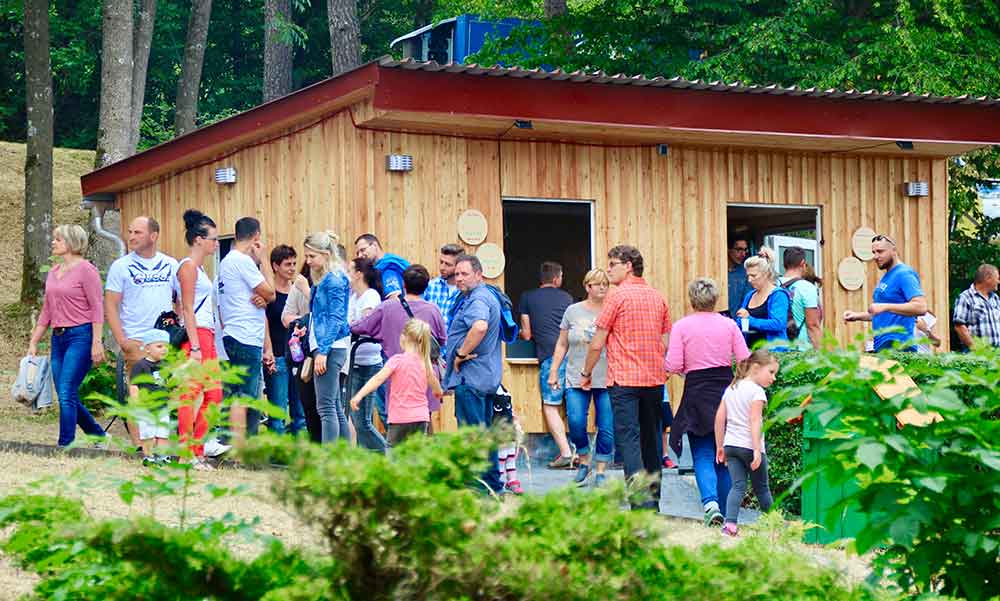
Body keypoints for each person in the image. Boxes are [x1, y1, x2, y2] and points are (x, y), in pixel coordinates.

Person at [581, 245, 671, 511]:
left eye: (612, 264)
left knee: (630, 442)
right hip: (654, 379)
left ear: (628, 265)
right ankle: (653, 503)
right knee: (652, 441)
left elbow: (597, 342)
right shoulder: (658, 297)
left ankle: (639, 505)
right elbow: (665, 341)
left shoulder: (616, 297)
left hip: (624, 380)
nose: (608, 270)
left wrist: (586, 373)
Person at [666, 277, 750, 526]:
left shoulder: (681, 326)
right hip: (725, 391)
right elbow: (745, 358)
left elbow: (672, 365)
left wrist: (686, 370)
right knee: (723, 455)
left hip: (696, 392)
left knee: (702, 452)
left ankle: (710, 504)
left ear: (692, 300)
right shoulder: (729, 325)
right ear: (715, 299)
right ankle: (726, 513)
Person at [28, 224, 108, 447]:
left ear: (72, 243)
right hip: (58, 337)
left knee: (66, 391)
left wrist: (96, 342)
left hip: (80, 336)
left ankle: (65, 445)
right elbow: (47, 310)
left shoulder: (86, 270)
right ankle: (99, 436)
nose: (53, 242)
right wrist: (34, 341)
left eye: (58, 239)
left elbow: (97, 308)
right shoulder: (53, 272)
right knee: (67, 393)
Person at [105, 216, 178, 449]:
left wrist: (178, 329)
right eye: (130, 232)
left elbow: (182, 298)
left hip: (165, 342)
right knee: (139, 394)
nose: (131, 237)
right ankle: (140, 445)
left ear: (153, 236)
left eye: (138, 232)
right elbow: (110, 304)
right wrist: (122, 340)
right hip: (137, 340)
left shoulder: (170, 264)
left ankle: (162, 444)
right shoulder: (121, 266)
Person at [352, 264, 447, 436]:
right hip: (426, 371)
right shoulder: (433, 310)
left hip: (397, 375)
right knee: (424, 421)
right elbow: (441, 340)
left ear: (403, 284)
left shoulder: (387, 307)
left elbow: (361, 326)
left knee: (397, 426)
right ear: (426, 286)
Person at [443, 254, 505, 493]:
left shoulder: (477, 299)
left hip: (472, 379)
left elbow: (479, 326)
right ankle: (492, 485)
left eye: (464, 274)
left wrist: (460, 354)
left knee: (472, 434)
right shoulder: (484, 296)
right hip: (485, 377)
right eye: (456, 274)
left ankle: (476, 488)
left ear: (479, 275)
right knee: (485, 433)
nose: (458, 278)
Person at [548, 268, 614, 487]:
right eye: (599, 284)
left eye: (606, 284)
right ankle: (584, 460)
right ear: (588, 287)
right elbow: (562, 343)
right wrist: (554, 370)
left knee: (606, 426)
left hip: (607, 377)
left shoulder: (613, 309)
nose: (603, 287)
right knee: (576, 421)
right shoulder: (573, 311)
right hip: (576, 375)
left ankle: (602, 469)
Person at [174, 209, 229, 462]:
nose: (216, 244)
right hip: (197, 336)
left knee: (214, 394)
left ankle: (196, 446)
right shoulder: (187, 268)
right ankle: (188, 451)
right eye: (213, 239)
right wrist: (195, 347)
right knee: (192, 392)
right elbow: (185, 307)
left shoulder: (201, 270)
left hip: (207, 333)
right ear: (198, 239)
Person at [218, 217, 276, 442]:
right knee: (247, 395)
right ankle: (243, 447)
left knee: (237, 391)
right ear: (256, 238)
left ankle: (232, 442)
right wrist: (263, 261)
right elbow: (270, 293)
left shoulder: (225, 262)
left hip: (233, 332)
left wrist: (262, 298)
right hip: (245, 335)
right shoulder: (243, 262)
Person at [714, 349, 778, 536]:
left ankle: (730, 525)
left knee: (737, 486)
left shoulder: (732, 388)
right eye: (771, 372)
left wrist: (720, 446)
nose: (773, 378)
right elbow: (755, 420)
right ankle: (774, 527)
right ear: (756, 368)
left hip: (731, 446)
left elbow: (719, 418)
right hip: (750, 447)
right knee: (762, 489)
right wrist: (757, 450)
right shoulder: (757, 392)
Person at [350, 319, 444, 445]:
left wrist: (359, 395)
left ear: (403, 338)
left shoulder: (397, 361)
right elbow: (438, 391)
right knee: (415, 455)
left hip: (399, 417)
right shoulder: (426, 364)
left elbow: (378, 379)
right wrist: (437, 393)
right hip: (420, 417)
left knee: (394, 456)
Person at [519, 261, 574, 469]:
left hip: (550, 358)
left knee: (551, 406)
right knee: (574, 405)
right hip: (573, 358)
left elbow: (526, 333)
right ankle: (580, 453)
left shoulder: (527, 298)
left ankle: (566, 452)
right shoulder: (568, 298)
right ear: (556, 278)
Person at [304, 231, 351, 443]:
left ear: (325, 254)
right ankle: (343, 458)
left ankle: (329, 463)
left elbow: (336, 318)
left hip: (331, 346)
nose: (307, 261)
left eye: (311, 256)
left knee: (325, 407)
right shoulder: (325, 279)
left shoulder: (334, 280)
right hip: (328, 344)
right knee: (334, 405)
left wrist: (323, 350)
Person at [844, 234, 927, 352]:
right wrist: (857, 316)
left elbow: (921, 307)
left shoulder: (904, 274)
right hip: (883, 344)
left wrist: (884, 306)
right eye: (873, 252)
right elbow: (883, 313)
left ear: (893, 250)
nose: (876, 256)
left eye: (880, 251)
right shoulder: (888, 276)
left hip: (900, 345)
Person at [264, 244, 306, 435]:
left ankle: (298, 453)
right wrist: (268, 351)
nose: (292, 268)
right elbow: (263, 323)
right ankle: (277, 455)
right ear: (275, 266)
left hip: (297, 355)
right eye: (287, 264)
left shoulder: (297, 290)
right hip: (278, 355)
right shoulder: (268, 293)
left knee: (300, 411)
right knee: (277, 411)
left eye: (294, 263)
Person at [344, 257, 385, 451]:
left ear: (359, 274)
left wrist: (351, 326)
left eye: (349, 270)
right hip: (353, 361)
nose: (347, 275)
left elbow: (365, 324)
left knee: (363, 421)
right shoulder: (353, 298)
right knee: (354, 417)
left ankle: (388, 454)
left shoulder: (371, 296)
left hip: (368, 362)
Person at [282, 262, 320, 441]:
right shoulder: (299, 286)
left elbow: (327, 313)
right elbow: (286, 317)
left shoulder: (334, 285)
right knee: (307, 403)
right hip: (303, 355)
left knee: (328, 406)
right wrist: (303, 321)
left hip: (326, 351)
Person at [128, 329, 173, 467]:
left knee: (163, 433)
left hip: (163, 407)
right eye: (159, 346)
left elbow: (170, 384)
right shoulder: (140, 366)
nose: (164, 349)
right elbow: (134, 385)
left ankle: (163, 456)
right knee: (148, 435)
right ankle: (149, 457)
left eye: (166, 346)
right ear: (147, 348)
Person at [734, 247, 789, 348]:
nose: (749, 280)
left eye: (753, 276)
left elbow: (778, 324)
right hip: (751, 353)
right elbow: (742, 320)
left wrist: (749, 319)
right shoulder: (749, 295)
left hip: (774, 355)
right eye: (748, 276)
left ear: (766, 274)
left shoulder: (778, 295)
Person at [780, 246, 822, 350]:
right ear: (803, 263)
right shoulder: (807, 288)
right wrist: (822, 355)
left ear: (784, 264)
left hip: (776, 348)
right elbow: (812, 325)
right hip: (801, 350)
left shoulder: (773, 285)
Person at [953, 263, 1000, 350]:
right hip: (977, 356)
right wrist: (977, 350)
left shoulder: (995, 298)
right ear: (988, 278)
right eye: (997, 278)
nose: (998, 281)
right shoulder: (966, 297)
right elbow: (959, 327)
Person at [354, 233, 409, 299]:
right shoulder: (384, 265)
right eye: (358, 253)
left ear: (374, 245)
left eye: (363, 250)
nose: (359, 255)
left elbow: (394, 301)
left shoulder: (387, 269)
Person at [424, 243, 463, 329]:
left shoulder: (465, 291)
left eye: (448, 264)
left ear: (459, 266)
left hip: (456, 342)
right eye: (441, 262)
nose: (442, 267)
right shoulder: (430, 286)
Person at [727, 234, 752, 316]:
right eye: (739, 250)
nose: (743, 254)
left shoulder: (746, 272)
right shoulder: (717, 272)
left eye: (745, 250)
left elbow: (747, 299)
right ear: (728, 249)